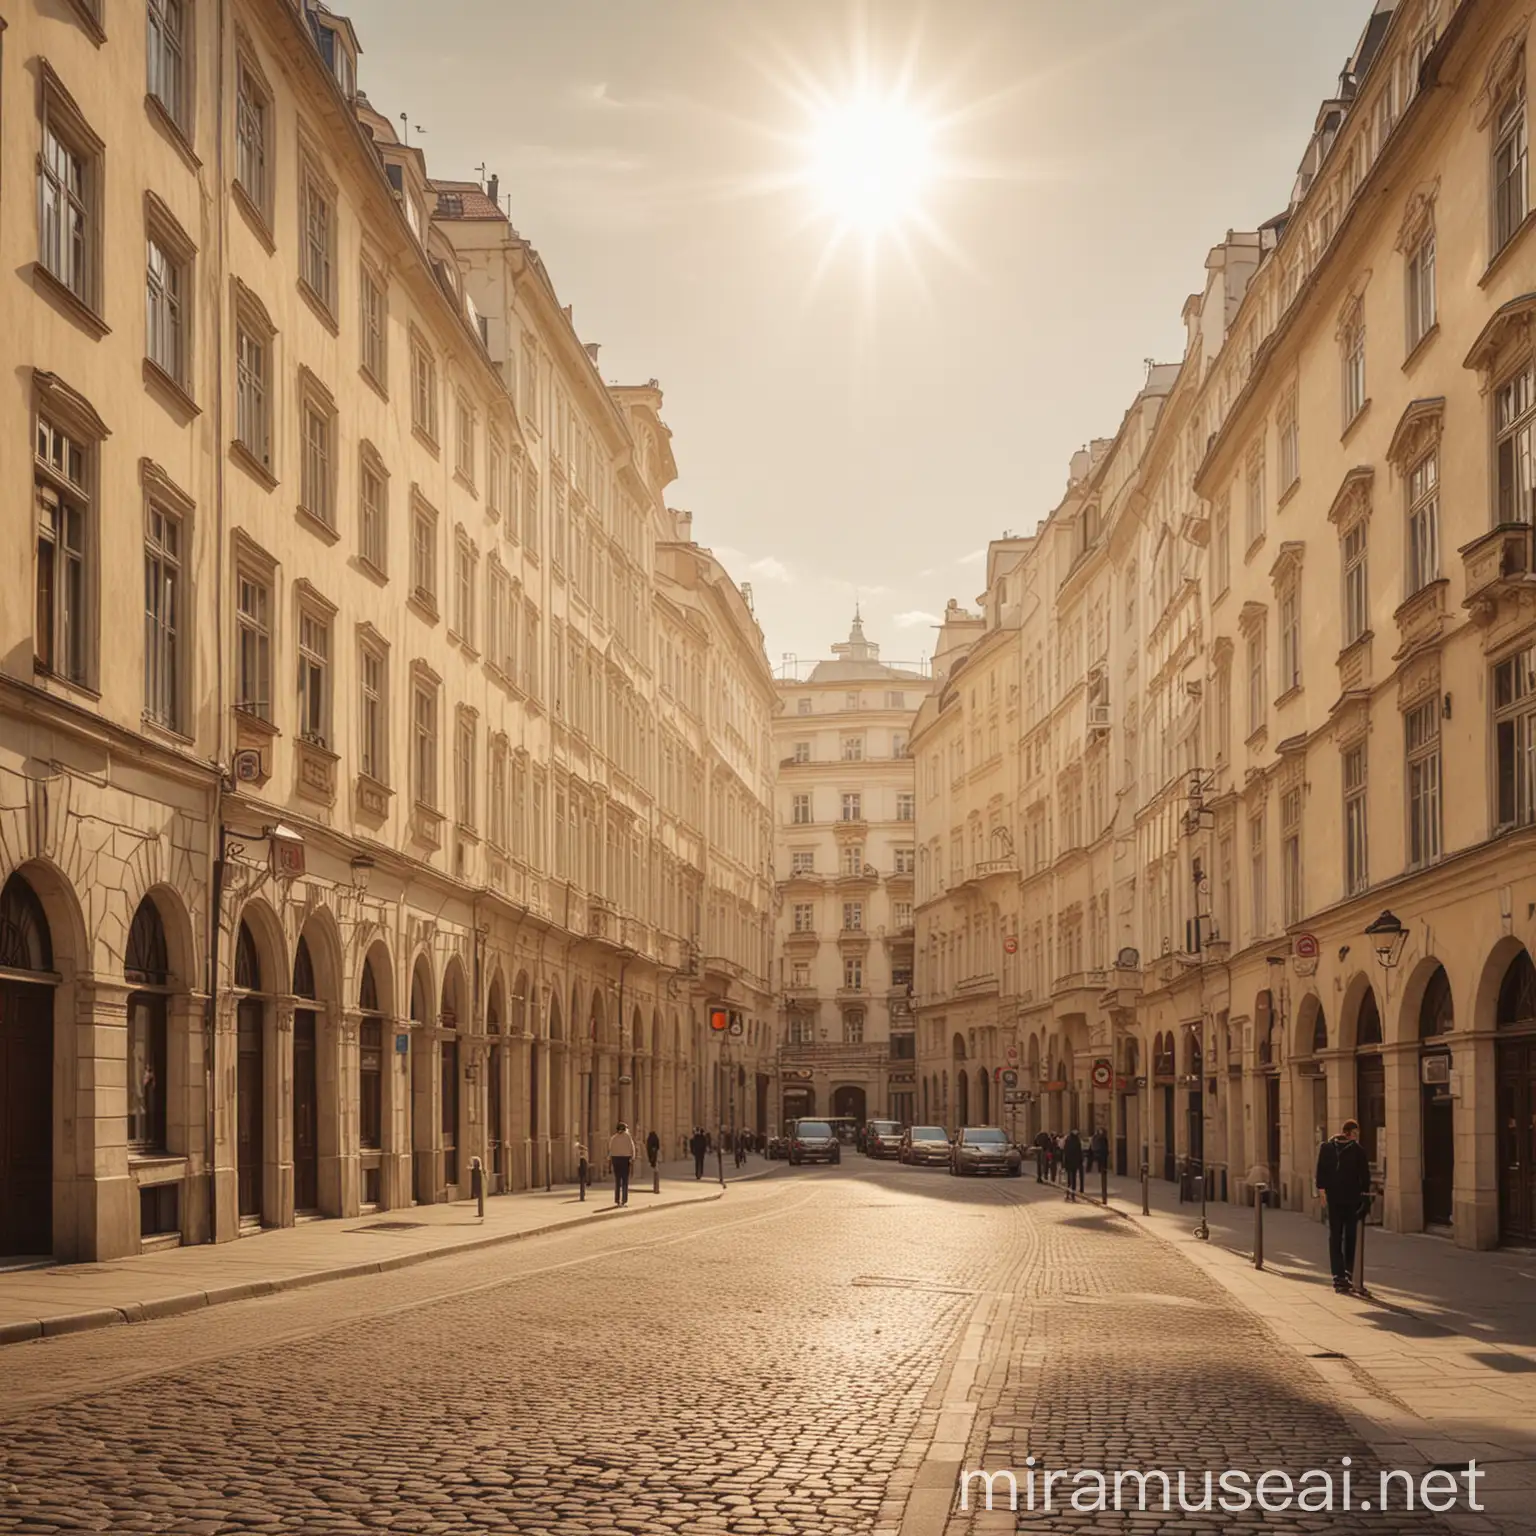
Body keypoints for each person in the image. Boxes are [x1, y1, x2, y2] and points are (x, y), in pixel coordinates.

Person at [1316, 1118, 1371, 1293]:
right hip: (1351, 1198)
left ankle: (1338, 1275)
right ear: (1351, 1133)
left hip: (1334, 1198)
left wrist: (1322, 1193)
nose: (1357, 1136)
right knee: (1350, 1235)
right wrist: (1365, 1196)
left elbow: (1320, 1174)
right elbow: (1365, 1177)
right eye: (1356, 1133)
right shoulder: (1357, 1150)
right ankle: (1347, 1272)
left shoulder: (1326, 1148)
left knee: (1336, 1235)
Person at [609, 1122, 636, 1206]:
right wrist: (632, 1158)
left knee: (617, 1180)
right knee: (625, 1180)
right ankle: (624, 1200)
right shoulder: (628, 1137)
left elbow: (610, 1149)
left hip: (615, 1159)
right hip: (625, 1159)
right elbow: (632, 1148)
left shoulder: (613, 1138)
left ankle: (617, 1200)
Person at [1063, 1128, 1084, 1199]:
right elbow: (1078, 1152)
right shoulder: (1074, 1140)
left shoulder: (1069, 1140)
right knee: (1071, 1179)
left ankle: (1070, 1194)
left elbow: (1065, 1152)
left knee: (1070, 1179)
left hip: (1071, 1162)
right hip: (1073, 1162)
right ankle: (1070, 1194)